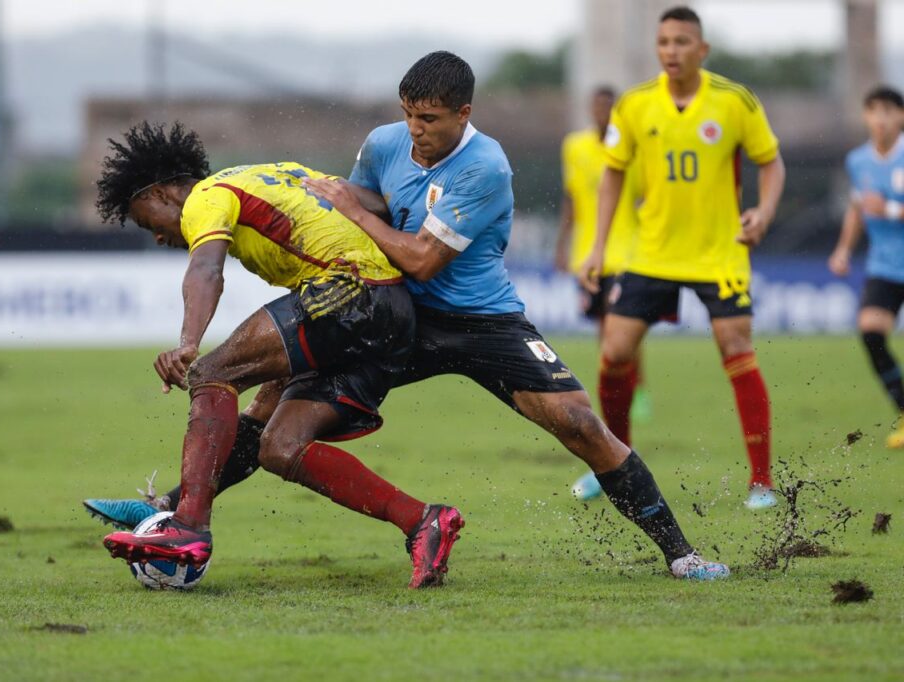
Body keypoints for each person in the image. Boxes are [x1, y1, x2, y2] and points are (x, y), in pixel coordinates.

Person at [91, 51, 730, 581]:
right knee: (271, 428)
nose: (416, 129)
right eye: (409, 115)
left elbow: (421, 257)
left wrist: (355, 215)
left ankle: (681, 554)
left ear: (464, 115)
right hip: (389, 316)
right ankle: (171, 513)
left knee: (581, 425)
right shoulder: (385, 144)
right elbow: (352, 205)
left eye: (429, 118)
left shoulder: (486, 167)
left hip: (478, 320)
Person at [94, 121, 464, 589]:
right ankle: (424, 521)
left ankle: (187, 527)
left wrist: (188, 343)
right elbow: (374, 203)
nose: (159, 237)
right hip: (390, 314)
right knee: (276, 443)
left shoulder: (207, 196)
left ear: (164, 191)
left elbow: (207, 269)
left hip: (350, 292)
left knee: (212, 373)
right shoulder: (274, 172)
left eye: (149, 221)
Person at [578, 6, 786, 511]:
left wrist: (764, 212)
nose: (671, 51)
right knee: (615, 350)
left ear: (702, 49)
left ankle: (761, 482)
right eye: (664, 42)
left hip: (720, 255)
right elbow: (612, 175)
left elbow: (770, 163)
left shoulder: (734, 102)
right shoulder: (634, 106)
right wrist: (600, 246)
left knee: (735, 345)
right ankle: (613, 464)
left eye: (682, 42)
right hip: (653, 252)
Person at [555, 86, 647, 502]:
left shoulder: (634, 146)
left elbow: (647, 198)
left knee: (617, 336)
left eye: (609, 107)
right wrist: (563, 243)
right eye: (597, 106)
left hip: (627, 253)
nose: (602, 113)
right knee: (605, 338)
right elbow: (573, 198)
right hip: (588, 256)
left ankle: (631, 403)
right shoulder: (574, 147)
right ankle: (613, 451)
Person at [828, 86, 904, 448]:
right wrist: (843, 249)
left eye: (888, 111)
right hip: (885, 265)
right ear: (865, 117)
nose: (881, 119)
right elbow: (858, 207)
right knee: (872, 332)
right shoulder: (858, 161)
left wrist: (889, 209)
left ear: (900, 117)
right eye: (874, 111)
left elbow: (876, 206)